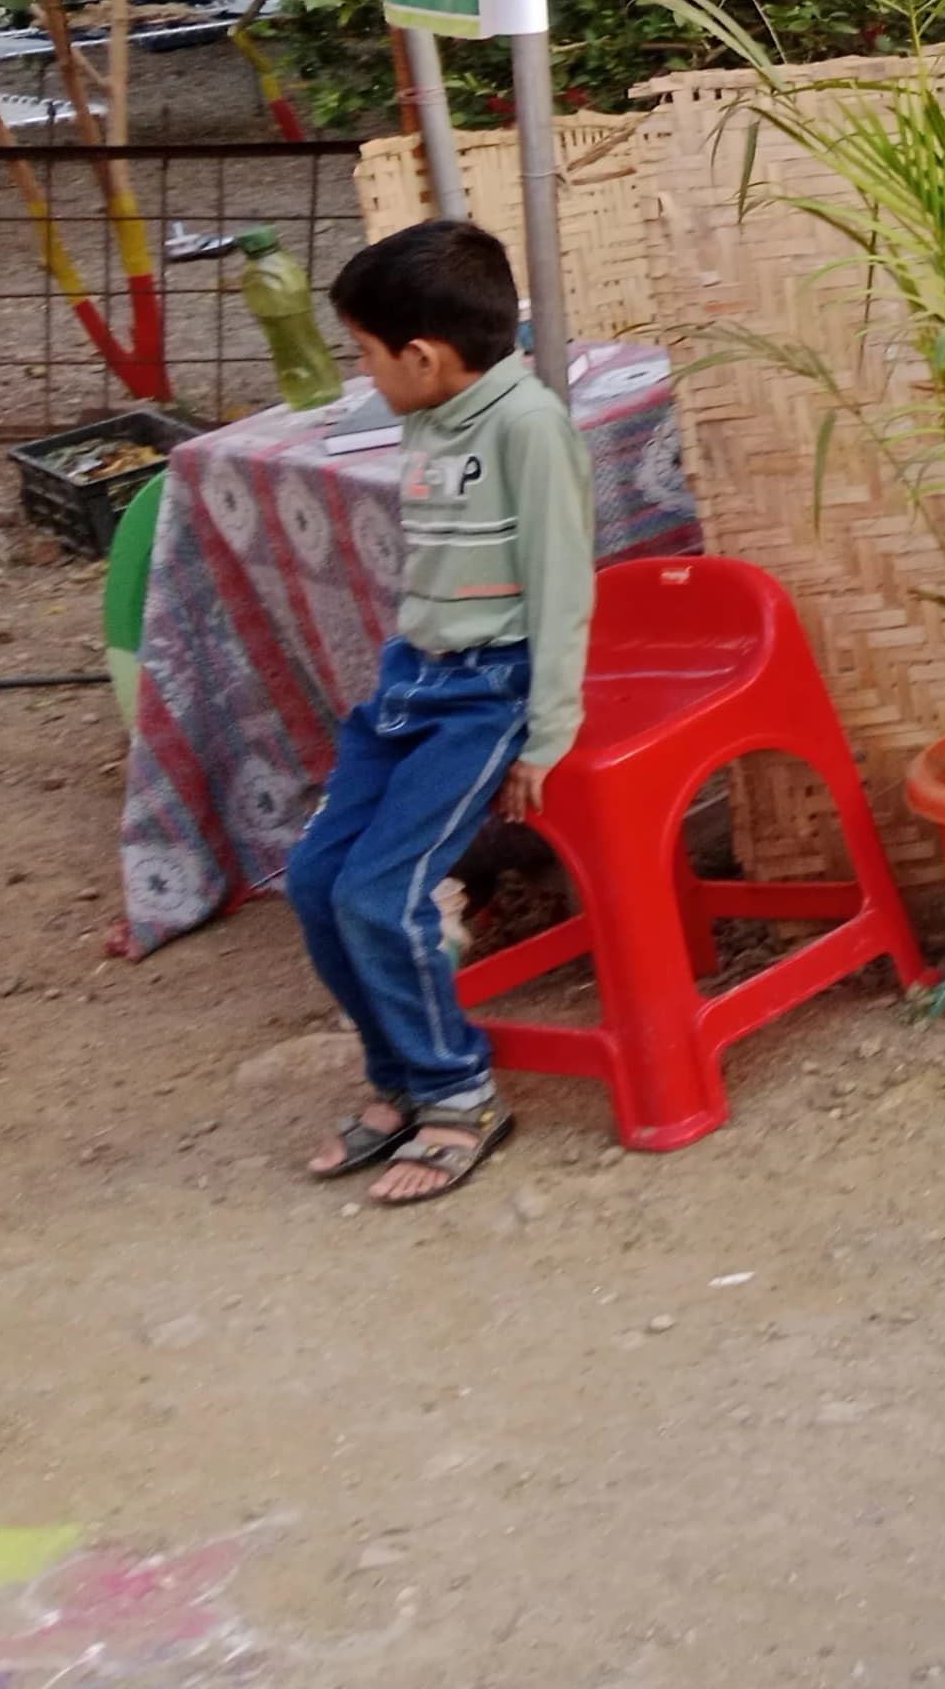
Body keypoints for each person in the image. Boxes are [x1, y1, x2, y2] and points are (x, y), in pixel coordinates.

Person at [285, 219, 591, 1207]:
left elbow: (560, 582)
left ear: (422, 355)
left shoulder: (526, 426)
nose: (362, 372)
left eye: (365, 353)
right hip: (408, 680)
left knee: (382, 894)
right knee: (315, 878)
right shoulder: (430, 413)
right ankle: (400, 1077)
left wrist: (547, 732)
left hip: (483, 695)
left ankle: (460, 1096)